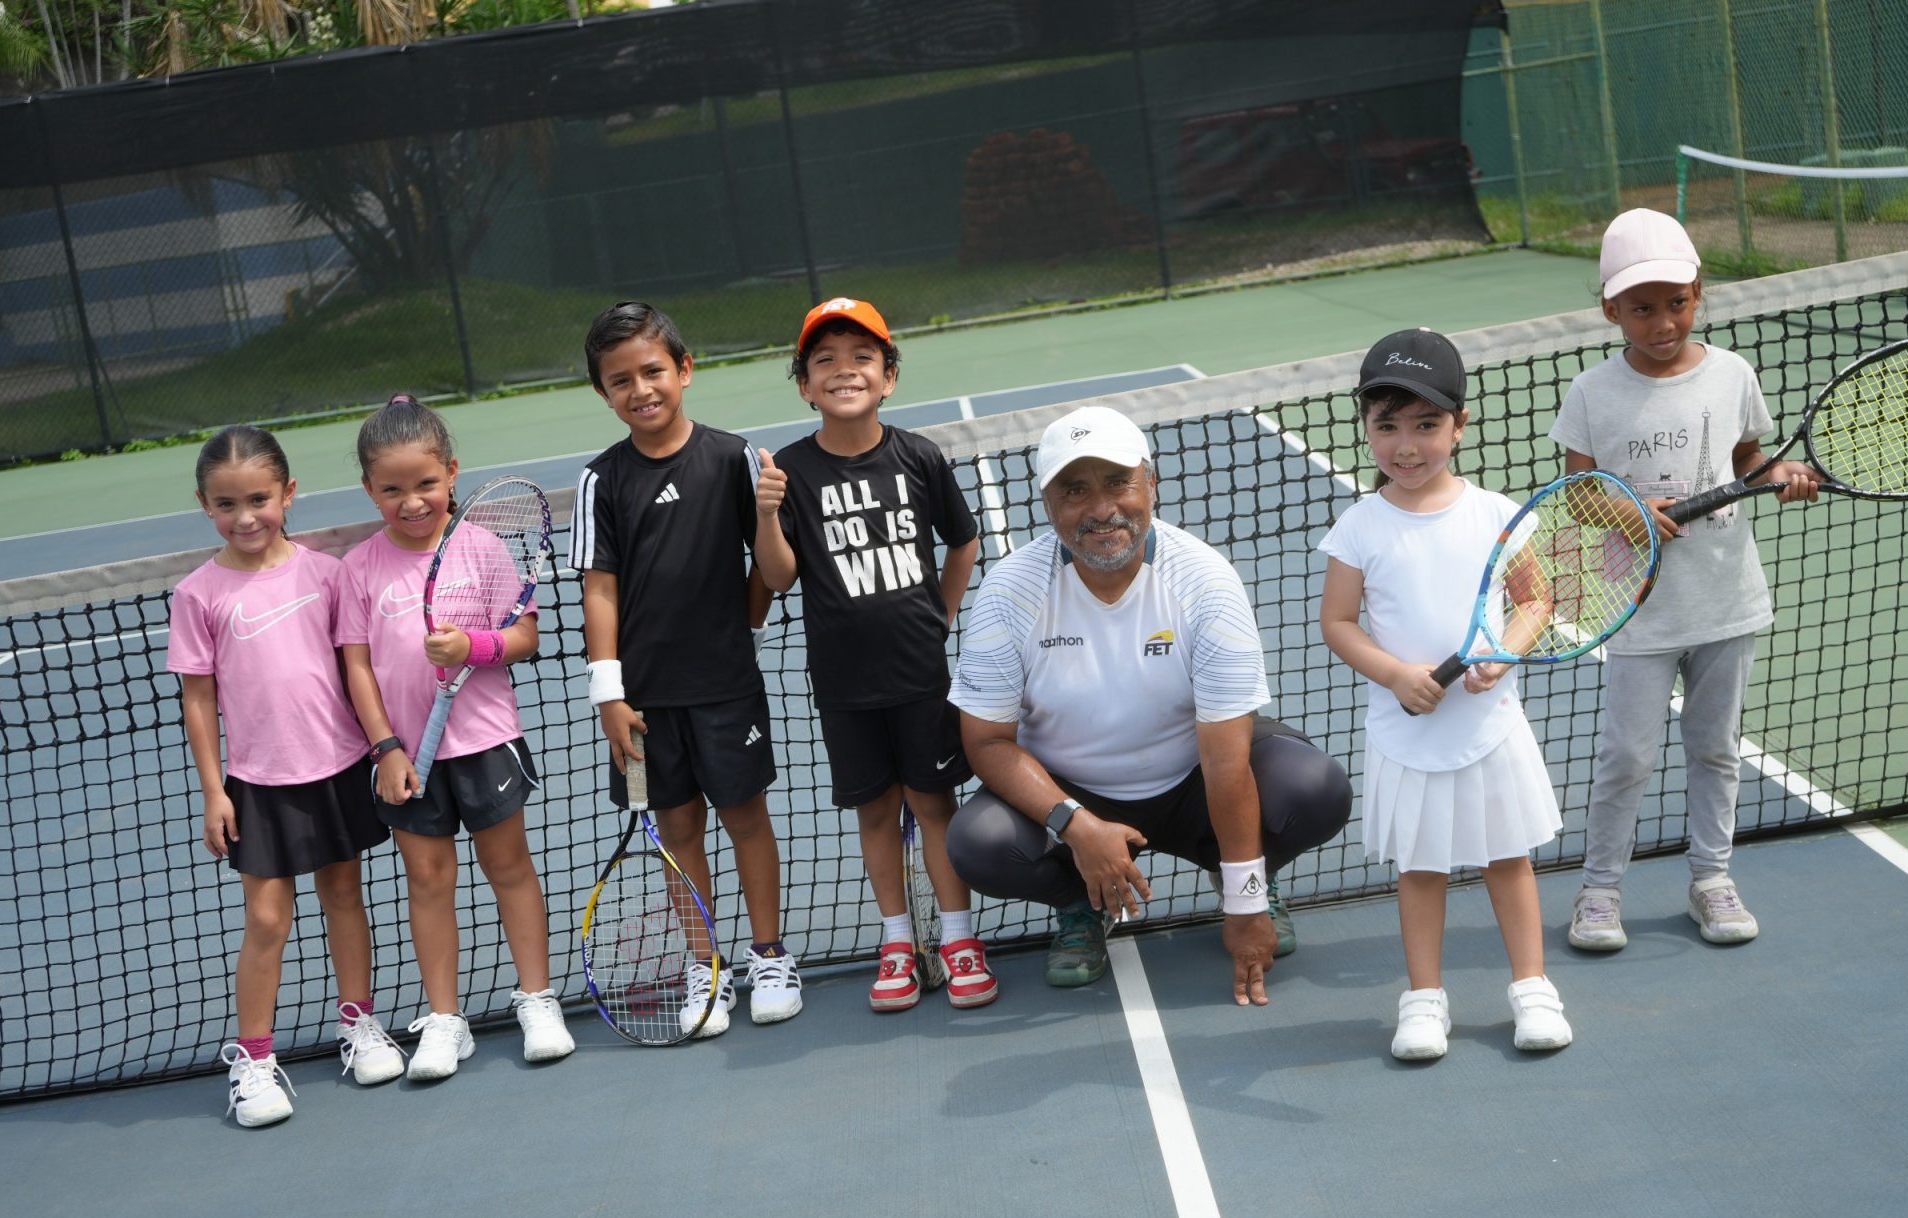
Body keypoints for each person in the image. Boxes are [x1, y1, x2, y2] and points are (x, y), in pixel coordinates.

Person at [946, 405, 1351, 1006]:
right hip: (1074, 791)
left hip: (1194, 781)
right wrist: (1076, 825)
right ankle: (1081, 902)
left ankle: (1243, 872)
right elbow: (986, 741)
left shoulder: (1205, 582)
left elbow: (1225, 760)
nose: (1101, 508)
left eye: (1118, 482)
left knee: (1314, 789)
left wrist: (1244, 901)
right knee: (978, 843)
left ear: (1151, 484)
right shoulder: (1010, 591)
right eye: (1074, 490)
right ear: (1047, 503)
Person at [1556, 209, 1818, 953]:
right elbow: (1577, 496)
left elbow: (1748, 463)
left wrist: (1783, 474)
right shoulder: (1591, 393)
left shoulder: (1733, 375)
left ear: (1699, 294)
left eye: (1677, 302)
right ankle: (1599, 891)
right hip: (1638, 611)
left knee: (1716, 749)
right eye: (1642, 307)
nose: (1663, 321)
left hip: (1726, 601)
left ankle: (1712, 878)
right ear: (1611, 309)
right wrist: (1629, 509)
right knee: (1626, 757)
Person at [1319, 329, 1572, 1060]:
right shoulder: (1358, 527)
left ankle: (1533, 989)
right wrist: (1395, 674)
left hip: (1488, 722)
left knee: (1507, 857)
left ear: (1460, 425)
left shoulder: (1495, 514)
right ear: (1366, 427)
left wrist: (1505, 653)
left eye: (1426, 425)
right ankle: (1424, 1000)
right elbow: (1338, 623)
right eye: (1387, 426)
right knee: (1421, 868)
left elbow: (1535, 601)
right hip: (1408, 731)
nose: (1406, 445)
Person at [754, 298, 991, 1011]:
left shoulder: (919, 456)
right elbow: (778, 577)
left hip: (920, 674)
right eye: (824, 360)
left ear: (889, 377)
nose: (844, 370)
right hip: (844, 682)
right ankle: (896, 941)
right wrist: (766, 512)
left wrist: (942, 616)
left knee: (935, 804)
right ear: (805, 385)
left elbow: (963, 541)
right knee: (876, 812)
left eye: (863, 357)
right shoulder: (790, 471)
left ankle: (958, 938)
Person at [573, 301, 801, 1036]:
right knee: (678, 830)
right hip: (644, 701)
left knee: (746, 819)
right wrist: (609, 694)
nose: (640, 389)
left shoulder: (736, 459)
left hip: (727, 686)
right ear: (603, 392)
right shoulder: (600, 481)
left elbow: (778, 573)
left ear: (685, 369)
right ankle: (707, 969)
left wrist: (766, 517)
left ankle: (769, 956)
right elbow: (599, 589)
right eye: (620, 380)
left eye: (653, 371)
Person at [337, 397, 576, 1080]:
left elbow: (524, 636)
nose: (412, 501)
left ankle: (538, 999)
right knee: (427, 879)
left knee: (509, 867)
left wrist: (473, 645)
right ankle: (446, 1019)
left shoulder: (482, 547)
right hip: (406, 757)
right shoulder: (359, 568)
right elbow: (357, 667)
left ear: (451, 473)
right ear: (369, 490)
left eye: (426, 483)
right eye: (392, 489)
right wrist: (385, 749)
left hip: (486, 740)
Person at [169, 426, 397, 1126]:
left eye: (259, 499)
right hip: (257, 783)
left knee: (343, 895)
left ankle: (358, 1024)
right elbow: (198, 699)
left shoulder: (326, 574)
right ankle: (254, 1061)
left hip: (337, 766)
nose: (245, 517)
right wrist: (214, 791)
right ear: (204, 504)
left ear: (288, 493)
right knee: (267, 918)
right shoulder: (198, 594)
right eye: (226, 504)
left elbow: (358, 667)